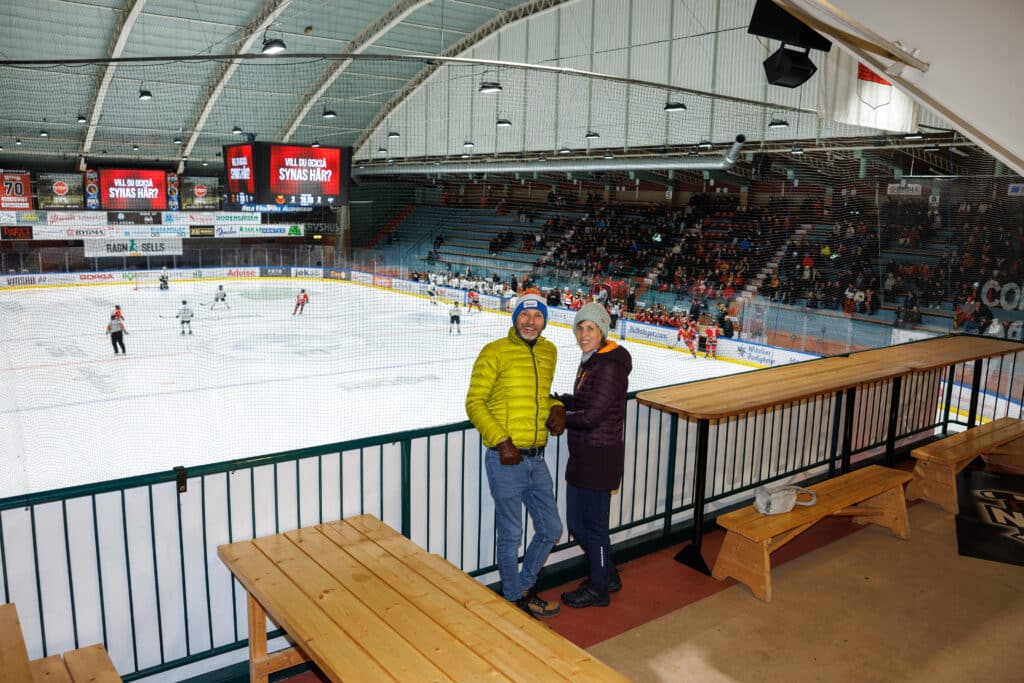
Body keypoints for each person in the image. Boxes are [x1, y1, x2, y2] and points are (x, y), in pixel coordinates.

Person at [465, 291, 565, 618]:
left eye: (537, 317)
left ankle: (521, 588)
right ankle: (513, 602)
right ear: (515, 316)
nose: (531, 322)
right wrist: (500, 439)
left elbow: (541, 395)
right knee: (511, 535)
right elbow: (475, 402)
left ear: (544, 321)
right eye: (525, 315)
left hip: (536, 459)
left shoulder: (549, 352)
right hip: (505, 458)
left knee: (550, 528)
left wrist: (557, 407)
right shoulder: (495, 352)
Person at [554, 302, 632, 608]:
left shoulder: (610, 365)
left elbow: (592, 415)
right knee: (577, 523)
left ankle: (599, 588)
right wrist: (560, 401)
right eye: (580, 328)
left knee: (594, 528)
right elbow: (584, 400)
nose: (584, 334)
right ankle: (607, 574)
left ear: (602, 330)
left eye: (591, 328)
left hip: (599, 456)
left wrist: (563, 417)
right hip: (584, 454)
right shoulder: (592, 360)